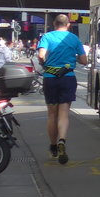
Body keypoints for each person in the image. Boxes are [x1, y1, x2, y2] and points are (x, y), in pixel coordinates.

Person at [37, 14, 89, 165]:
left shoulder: (47, 37)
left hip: (50, 78)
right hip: (68, 78)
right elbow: (84, 60)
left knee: (52, 114)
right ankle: (62, 140)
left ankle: (53, 146)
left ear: (54, 24)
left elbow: (41, 56)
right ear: (68, 25)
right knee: (64, 113)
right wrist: (74, 57)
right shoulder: (73, 39)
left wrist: (46, 62)